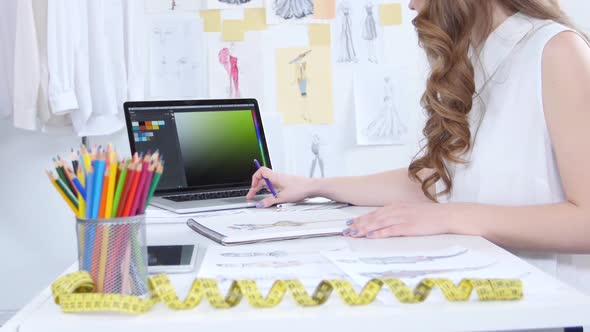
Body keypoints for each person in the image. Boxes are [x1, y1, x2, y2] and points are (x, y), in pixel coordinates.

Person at [247, 0, 590, 293]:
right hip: (488, 293)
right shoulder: (478, 60)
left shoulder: (556, 50)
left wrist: (449, 216)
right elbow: (438, 178)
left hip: (549, 305)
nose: (409, 3)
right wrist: (315, 186)